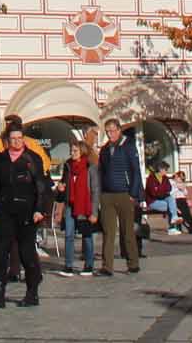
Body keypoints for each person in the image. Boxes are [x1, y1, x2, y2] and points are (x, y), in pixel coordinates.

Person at [0, 116, 47, 308]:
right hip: (4, 210)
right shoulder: (2, 159)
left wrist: (39, 209)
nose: (17, 142)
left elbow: (42, 187)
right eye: (13, 139)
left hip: (27, 211)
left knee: (27, 252)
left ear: (24, 139)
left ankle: (32, 292)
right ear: (7, 141)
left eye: (20, 138)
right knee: (0, 251)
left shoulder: (32, 159)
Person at [96, 117, 143, 274]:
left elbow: (136, 171)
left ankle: (133, 263)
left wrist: (133, 194)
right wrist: (100, 194)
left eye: (113, 131)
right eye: (107, 131)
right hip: (107, 195)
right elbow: (100, 172)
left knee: (127, 231)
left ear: (119, 130)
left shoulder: (128, 146)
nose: (110, 134)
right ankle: (107, 266)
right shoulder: (104, 149)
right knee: (108, 232)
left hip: (124, 193)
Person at [59, 127, 97, 275]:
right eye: (71, 150)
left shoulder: (90, 167)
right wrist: (61, 188)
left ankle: (89, 265)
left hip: (85, 206)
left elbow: (95, 190)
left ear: (82, 152)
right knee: (69, 235)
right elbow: (63, 183)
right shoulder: (68, 166)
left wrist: (94, 212)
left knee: (86, 235)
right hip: (70, 204)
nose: (72, 153)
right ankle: (68, 265)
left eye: (74, 151)